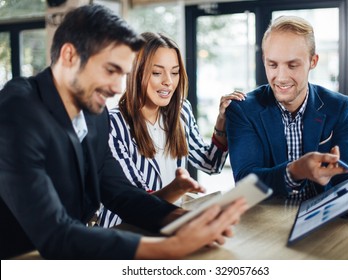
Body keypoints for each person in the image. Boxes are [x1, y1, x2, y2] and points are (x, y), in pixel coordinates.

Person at [0, 4, 248, 260]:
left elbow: (121, 194)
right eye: (110, 70)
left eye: (123, 74)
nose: (118, 88)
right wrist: (172, 247)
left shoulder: (94, 115)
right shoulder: (16, 111)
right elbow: (55, 233)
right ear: (69, 56)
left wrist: (184, 220)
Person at [225, 15, 348, 218]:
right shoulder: (242, 110)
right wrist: (295, 171)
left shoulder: (339, 108)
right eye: (273, 65)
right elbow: (245, 185)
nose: (282, 77)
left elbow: (347, 182)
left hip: (323, 225)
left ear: (313, 61)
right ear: (264, 60)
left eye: (292, 65)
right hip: (263, 228)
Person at [98, 32, 246, 228]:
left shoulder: (181, 111)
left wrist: (222, 121)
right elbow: (136, 204)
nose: (169, 81)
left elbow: (211, 164)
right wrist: (177, 188)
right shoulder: (113, 124)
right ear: (136, 73)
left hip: (170, 224)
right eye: (157, 72)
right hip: (125, 232)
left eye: (174, 72)